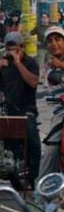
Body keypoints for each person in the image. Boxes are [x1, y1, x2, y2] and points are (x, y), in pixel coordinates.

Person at [0, 32, 41, 183]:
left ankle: (34, 176)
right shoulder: (2, 62)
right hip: (5, 108)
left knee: (32, 136)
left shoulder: (30, 63)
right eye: (8, 48)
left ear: (21, 48)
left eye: (14, 49)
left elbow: (33, 82)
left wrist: (18, 63)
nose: (10, 52)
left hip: (25, 108)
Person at [40, 26, 64, 178]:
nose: (53, 44)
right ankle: (42, 193)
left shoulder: (57, 65)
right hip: (59, 117)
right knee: (49, 152)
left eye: (58, 39)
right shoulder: (49, 66)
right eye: (50, 41)